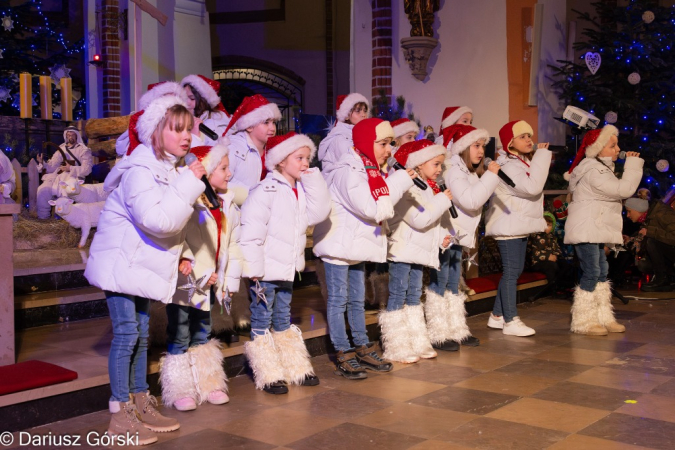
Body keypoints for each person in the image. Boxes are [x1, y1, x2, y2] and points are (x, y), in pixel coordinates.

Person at [84, 95, 206, 444]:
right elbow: (156, 220)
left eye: (189, 129)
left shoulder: (170, 169)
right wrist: (188, 183)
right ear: (155, 132)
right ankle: (120, 414)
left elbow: (175, 222)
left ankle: (141, 402)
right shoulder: (140, 170)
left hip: (140, 265)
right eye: (177, 129)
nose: (186, 136)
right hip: (121, 264)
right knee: (126, 334)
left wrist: (183, 252)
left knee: (140, 333)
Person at [313, 118, 415, 380]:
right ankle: (343, 351)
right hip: (339, 246)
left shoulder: (370, 168)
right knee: (338, 301)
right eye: (382, 143)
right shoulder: (348, 170)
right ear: (365, 142)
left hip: (356, 246)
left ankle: (361, 346)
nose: (389, 150)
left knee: (357, 300)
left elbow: (379, 203)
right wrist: (400, 181)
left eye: (390, 143)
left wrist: (393, 179)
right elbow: (372, 209)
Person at [241, 132, 331, 394]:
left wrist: (312, 178)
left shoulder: (300, 191)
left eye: (307, 158)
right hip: (266, 271)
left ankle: (292, 366)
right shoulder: (265, 190)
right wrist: (254, 270)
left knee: (282, 317)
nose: (305, 163)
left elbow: (320, 212)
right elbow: (251, 233)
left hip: (287, 269)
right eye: (299, 158)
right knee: (262, 317)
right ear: (281, 161)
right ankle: (268, 372)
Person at [159, 143, 242, 411]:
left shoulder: (226, 202)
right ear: (205, 172)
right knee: (181, 328)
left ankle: (207, 382)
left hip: (209, 279)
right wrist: (183, 256)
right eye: (224, 168)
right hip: (186, 277)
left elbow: (231, 245)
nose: (229, 174)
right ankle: (181, 387)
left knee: (203, 329)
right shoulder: (190, 200)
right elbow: (175, 231)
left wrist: (227, 278)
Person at [564, 125, 643, 335]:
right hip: (587, 228)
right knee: (592, 272)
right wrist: (633, 164)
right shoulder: (592, 168)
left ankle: (602, 317)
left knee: (602, 270)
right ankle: (583, 321)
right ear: (598, 149)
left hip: (594, 227)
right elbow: (623, 190)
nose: (618, 149)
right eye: (613, 145)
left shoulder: (601, 167)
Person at [430, 124, 499, 350]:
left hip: (456, 233)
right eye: (476, 146)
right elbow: (470, 201)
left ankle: (455, 327)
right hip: (446, 233)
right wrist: (491, 176)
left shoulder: (466, 170)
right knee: (441, 281)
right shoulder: (452, 170)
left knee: (452, 280)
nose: (481, 152)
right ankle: (438, 331)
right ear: (462, 148)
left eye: (483, 147)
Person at [382, 139, 450, 363]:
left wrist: (442, 238)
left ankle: (417, 339)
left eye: (441, 165)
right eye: (436, 164)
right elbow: (419, 219)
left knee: (413, 295)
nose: (440, 170)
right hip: (403, 251)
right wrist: (442, 200)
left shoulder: (429, 188)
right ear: (419, 164)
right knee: (398, 294)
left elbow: (433, 222)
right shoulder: (407, 187)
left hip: (418, 252)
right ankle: (397, 344)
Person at [485, 120, 551, 337]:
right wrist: (542, 157)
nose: (529, 140)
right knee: (512, 272)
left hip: (517, 224)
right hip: (508, 225)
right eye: (522, 136)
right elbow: (532, 188)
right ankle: (511, 320)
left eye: (529, 135)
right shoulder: (509, 166)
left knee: (514, 270)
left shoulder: (519, 162)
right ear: (510, 142)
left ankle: (497, 316)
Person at [115, 81, 190, 158]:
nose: (173, 104)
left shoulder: (186, 125)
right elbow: (123, 148)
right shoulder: (143, 126)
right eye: (167, 100)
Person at [36, 126, 92, 219]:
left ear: (76, 135)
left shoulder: (83, 150)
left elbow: (87, 169)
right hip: (58, 178)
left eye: (72, 134)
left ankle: (65, 218)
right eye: (68, 135)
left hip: (73, 178)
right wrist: (43, 163)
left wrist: (71, 168)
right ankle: (43, 219)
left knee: (66, 192)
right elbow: (52, 167)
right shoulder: (61, 149)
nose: (70, 137)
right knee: (43, 190)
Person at [624, 197, 675, 292]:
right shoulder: (649, 217)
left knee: (651, 241)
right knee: (644, 265)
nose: (627, 215)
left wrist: (650, 232)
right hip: (669, 255)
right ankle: (669, 277)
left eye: (629, 211)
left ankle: (662, 279)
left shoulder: (663, 213)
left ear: (638, 210)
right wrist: (631, 239)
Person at [318, 92, 369, 175]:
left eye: (365, 111)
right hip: (338, 180)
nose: (363, 114)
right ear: (346, 116)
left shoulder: (364, 133)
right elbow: (351, 162)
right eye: (358, 111)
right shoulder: (340, 137)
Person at [181, 74, 231, 144]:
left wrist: (194, 137)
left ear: (203, 100)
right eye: (185, 98)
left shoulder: (211, 123)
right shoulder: (190, 121)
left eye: (192, 98)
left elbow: (212, 152)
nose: (187, 102)